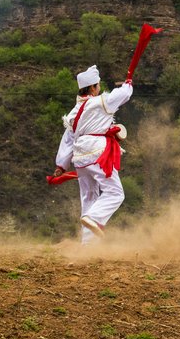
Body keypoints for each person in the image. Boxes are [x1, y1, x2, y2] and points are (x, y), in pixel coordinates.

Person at [54, 65, 132, 244]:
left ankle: (88, 246)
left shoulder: (74, 111)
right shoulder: (99, 102)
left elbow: (68, 138)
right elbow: (122, 95)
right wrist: (128, 84)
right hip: (96, 152)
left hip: (79, 157)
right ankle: (95, 218)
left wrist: (61, 165)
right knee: (115, 193)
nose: (99, 89)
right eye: (98, 85)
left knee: (89, 196)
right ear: (92, 88)